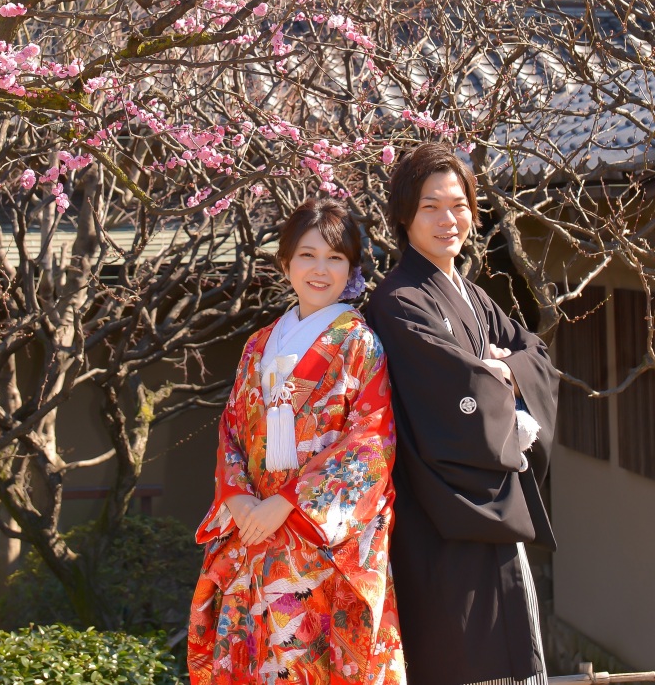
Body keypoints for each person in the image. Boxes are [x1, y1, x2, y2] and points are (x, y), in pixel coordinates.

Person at [188, 197, 406, 685]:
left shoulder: (358, 343)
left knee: (307, 660)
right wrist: (241, 499)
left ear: (350, 269)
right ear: (286, 263)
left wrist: (286, 504)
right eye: (307, 255)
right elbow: (232, 429)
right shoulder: (259, 344)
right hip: (253, 532)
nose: (320, 270)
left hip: (314, 536)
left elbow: (368, 444)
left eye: (335, 258)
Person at [366, 142, 559, 685]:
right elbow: (456, 390)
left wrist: (509, 372)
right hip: (442, 512)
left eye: (459, 205)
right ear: (404, 215)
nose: (448, 220)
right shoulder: (399, 299)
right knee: (463, 656)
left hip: (490, 500)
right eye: (430, 206)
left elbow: (534, 356)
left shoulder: (471, 294)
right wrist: (490, 372)